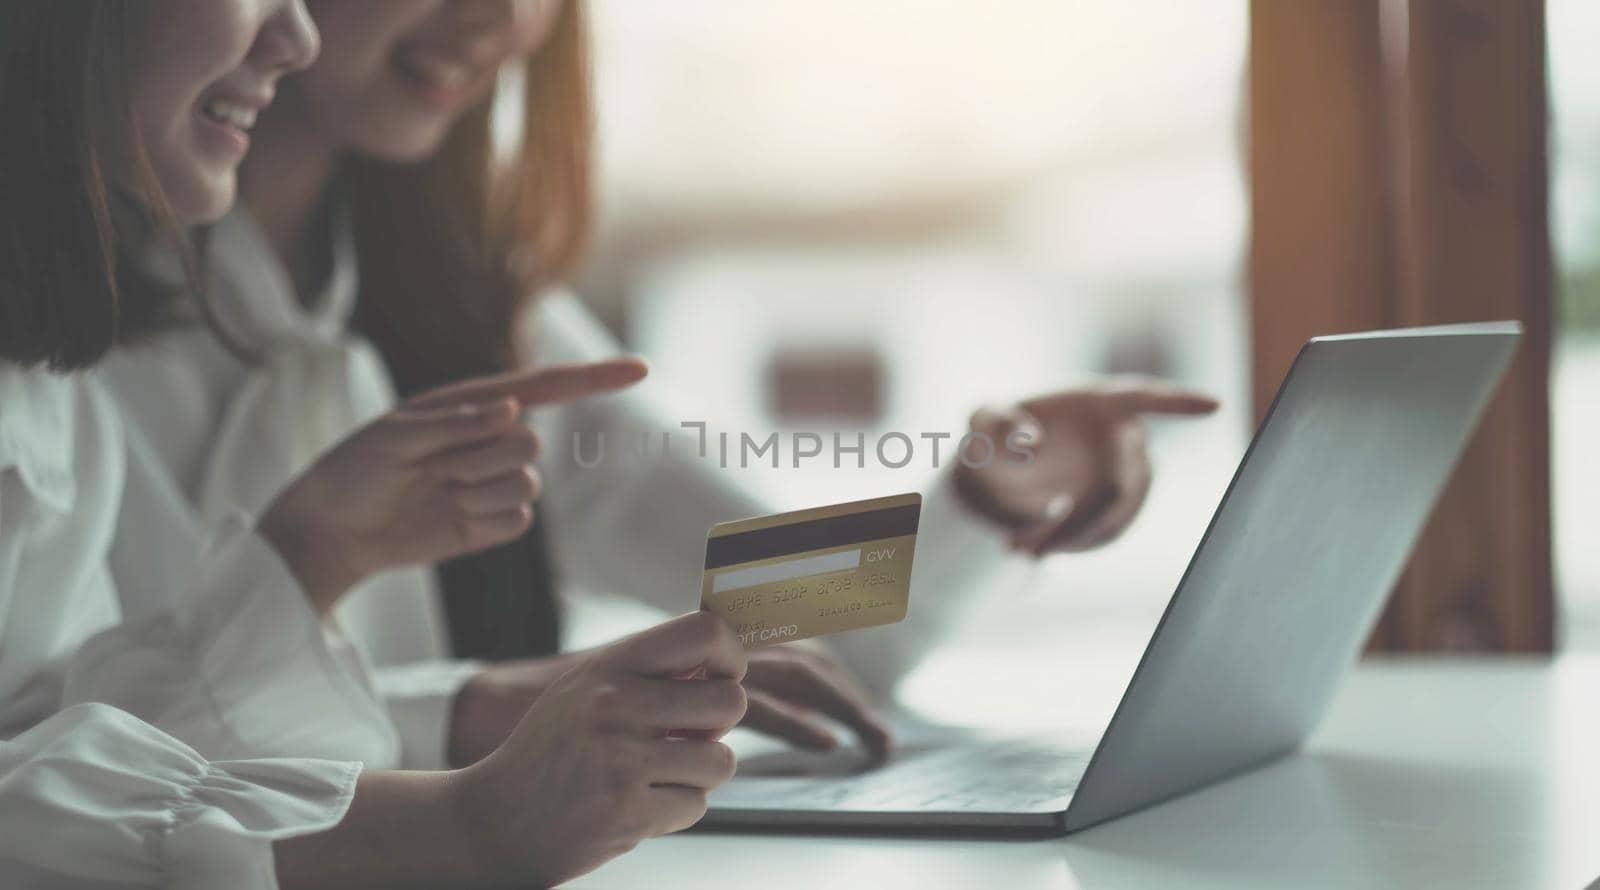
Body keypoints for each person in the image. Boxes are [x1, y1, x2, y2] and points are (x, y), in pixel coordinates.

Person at [108, 0, 1220, 770]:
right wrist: (481, 710)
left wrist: (995, 490)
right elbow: (63, 763)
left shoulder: (471, 304)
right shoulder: (61, 328)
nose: (502, 18)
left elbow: (777, 607)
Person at [1, 3, 747, 886]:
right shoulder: (96, 349)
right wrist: (459, 815)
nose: (504, 16)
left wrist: (465, 709)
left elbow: (68, 738)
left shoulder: (50, 371)